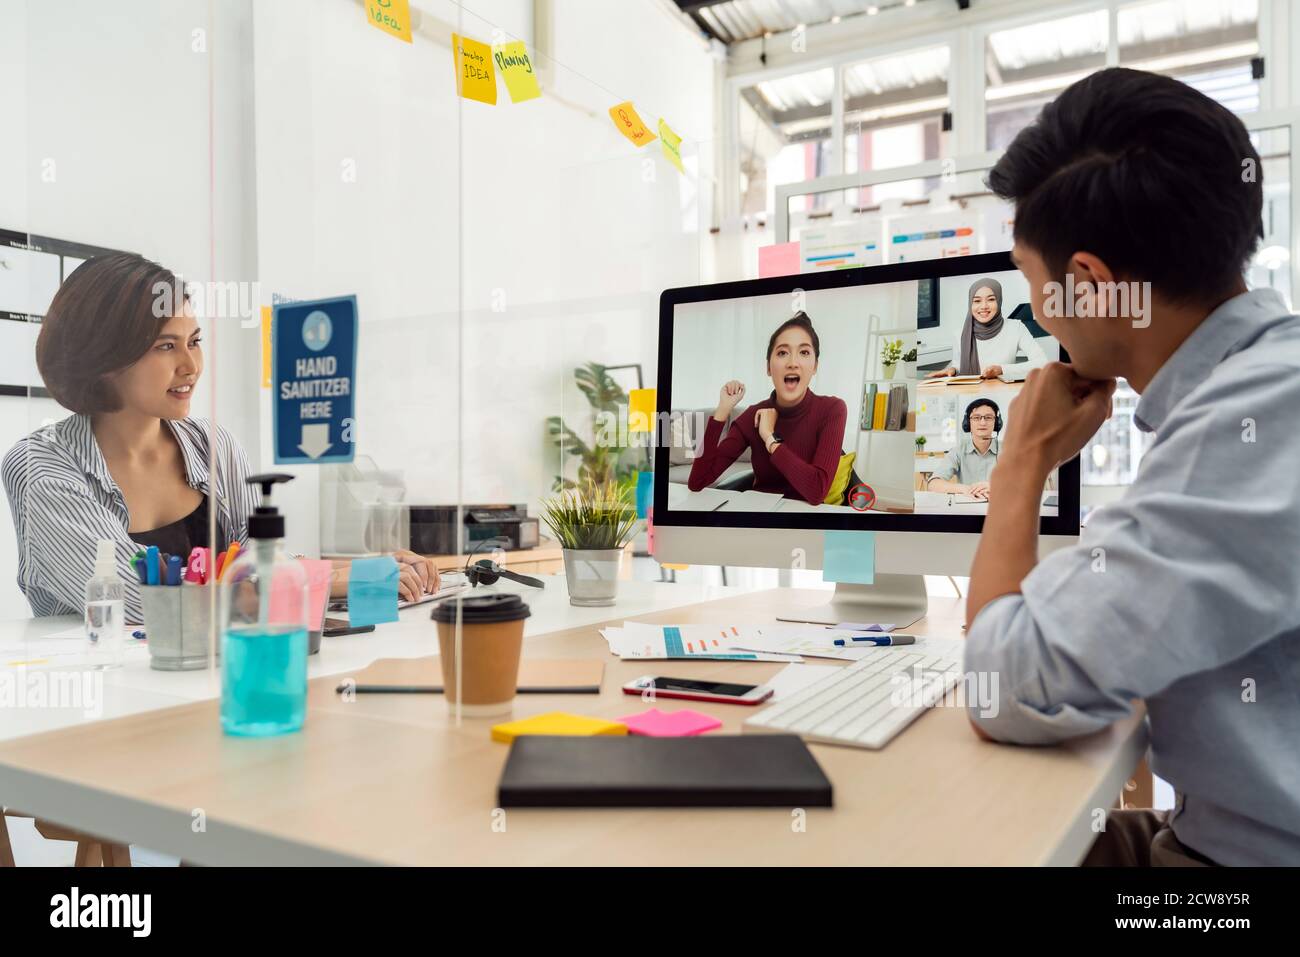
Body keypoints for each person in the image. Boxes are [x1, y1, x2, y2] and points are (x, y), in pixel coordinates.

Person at [963, 67, 1300, 865]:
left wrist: (1022, 459)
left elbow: (1004, 683)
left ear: (1092, 287)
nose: (1037, 315)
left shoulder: (1246, 425)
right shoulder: (1257, 388)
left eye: (1033, 288)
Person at [2, 253, 438, 622]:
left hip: (213, 682)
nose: (191, 366)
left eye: (194, 341)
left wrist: (366, 568)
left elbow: (258, 566)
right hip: (112, 702)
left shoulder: (213, 446)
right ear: (104, 358)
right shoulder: (42, 467)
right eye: (165, 347)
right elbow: (139, 601)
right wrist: (344, 580)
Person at [688, 312, 847, 505]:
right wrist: (722, 410)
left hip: (806, 525)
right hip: (760, 521)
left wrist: (770, 438)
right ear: (769, 368)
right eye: (782, 353)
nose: (792, 363)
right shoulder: (751, 416)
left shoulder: (832, 409)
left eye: (804, 352)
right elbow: (697, 482)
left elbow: (816, 491)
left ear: (815, 366)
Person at [926, 277, 1047, 379]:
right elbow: (959, 365)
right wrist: (952, 369)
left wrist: (1002, 369)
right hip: (969, 393)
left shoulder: (1016, 327)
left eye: (991, 299)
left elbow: (1042, 363)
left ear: (999, 301)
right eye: (977, 301)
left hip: (1002, 392)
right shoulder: (961, 334)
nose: (983, 306)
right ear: (970, 304)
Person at [927, 398, 999, 500]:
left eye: (988, 417)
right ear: (967, 423)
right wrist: (965, 489)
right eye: (976, 418)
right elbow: (933, 484)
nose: (983, 423)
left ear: (996, 423)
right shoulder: (958, 451)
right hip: (969, 510)